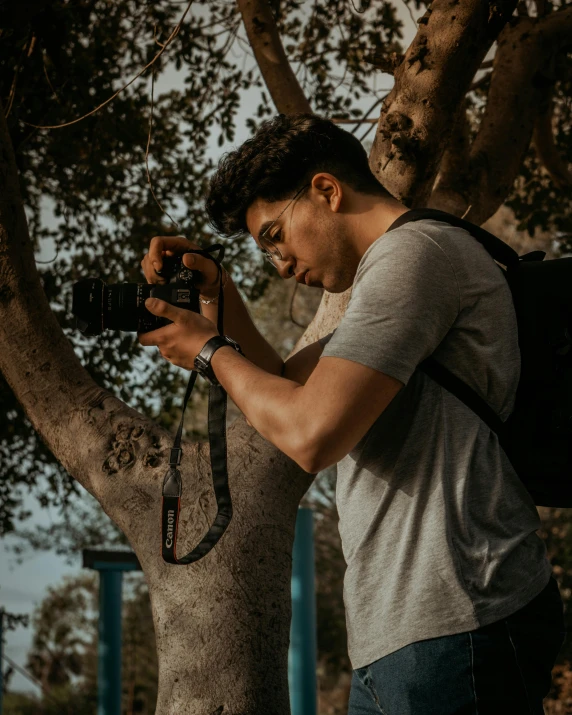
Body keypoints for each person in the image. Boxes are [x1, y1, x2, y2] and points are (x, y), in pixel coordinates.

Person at [139, 113, 565, 713]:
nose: (279, 263)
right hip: (400, 634)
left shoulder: (416, 256)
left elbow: (311, 432)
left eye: (274, 234)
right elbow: (287, 385)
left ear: (325, 191)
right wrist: (219, 296)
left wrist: (208, 352)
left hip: (458, 617)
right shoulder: (388, 275)